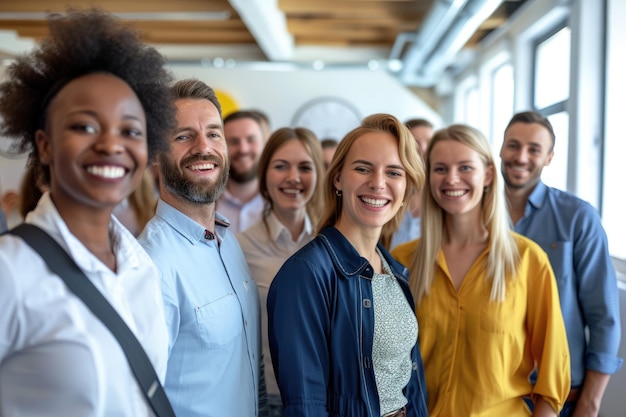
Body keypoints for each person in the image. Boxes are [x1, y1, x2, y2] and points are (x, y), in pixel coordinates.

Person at [0, 8, 175, 415]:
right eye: (85, 126)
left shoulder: (141, 267)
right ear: (44, 145)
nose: (112, 145)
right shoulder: (11, 270)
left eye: (130, 130)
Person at [392, 124, 570, 416]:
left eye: (465, 167)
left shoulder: (528, 260)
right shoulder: (403, 260)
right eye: (440, 169)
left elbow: (553, 371)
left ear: (487, 174)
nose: (451, 179)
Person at [267, 113, 429, 417]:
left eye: (394, 172)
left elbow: (408, 385)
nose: (378, 183)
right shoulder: (305, 274)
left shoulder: (394, 270)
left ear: (407, 187)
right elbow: (306, 406)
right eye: (363, 168)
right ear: (338, 177)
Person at [138, 79, 263, 417]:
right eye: (182, 136)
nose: (203, 147)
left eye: (214, 134)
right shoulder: (151, 264)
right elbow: (137, 401)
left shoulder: (228, 241)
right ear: (153, 153)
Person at [500, 111, 623, 416]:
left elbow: (603, 317)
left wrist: (591, 404)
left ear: (549, 157)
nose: (521, 157)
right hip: (492, 394)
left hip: (561, 398)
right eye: (513, 146)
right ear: (501, 148)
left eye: (534, 149)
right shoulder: (473, 216)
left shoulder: (578, 218)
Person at [237, 127, 325, 416]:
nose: (293, 177)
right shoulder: (239, 248)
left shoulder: (333, 245)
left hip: (327, 396)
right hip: (267, 400)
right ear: (264, 175)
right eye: (281, 166)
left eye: (304, 167)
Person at [385, 118, 434, 250]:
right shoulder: (388, 193)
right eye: (415, 143)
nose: (423, 149)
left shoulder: (443, 199)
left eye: (429, 143)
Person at [217, 110, 266, 233]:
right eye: (233, 141)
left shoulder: (282, 203)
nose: (243, 149)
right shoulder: (201, 205)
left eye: (251, 139)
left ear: (265, 145)